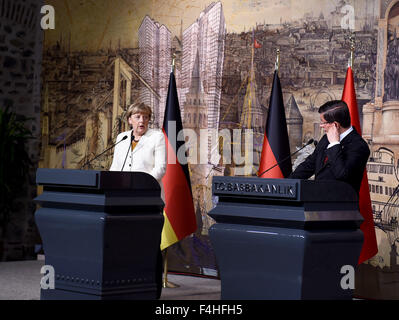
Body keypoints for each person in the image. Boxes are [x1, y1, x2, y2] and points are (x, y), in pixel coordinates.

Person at [110, 102, 166, 299]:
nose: (142, 120)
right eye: (138, 116)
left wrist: (140, 185)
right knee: (125, 245)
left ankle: (153, 290)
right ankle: (127, 286)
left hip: (148, 201)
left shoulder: (156, 137)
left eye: (145, 116)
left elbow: (160, 169)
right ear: (130, 120)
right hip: (123, 201)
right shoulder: (122, 138)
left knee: (149, 245)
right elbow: (115, 168)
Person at [289, 100, 370, 194]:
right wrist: (287, 184)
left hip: (339, 205)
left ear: (335, 125)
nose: (321, 126)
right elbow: (309, 165)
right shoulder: (325, 139)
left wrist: (335, 144)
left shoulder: (359, 146)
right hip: (317, 202)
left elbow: (342, 175)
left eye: (323, 122)